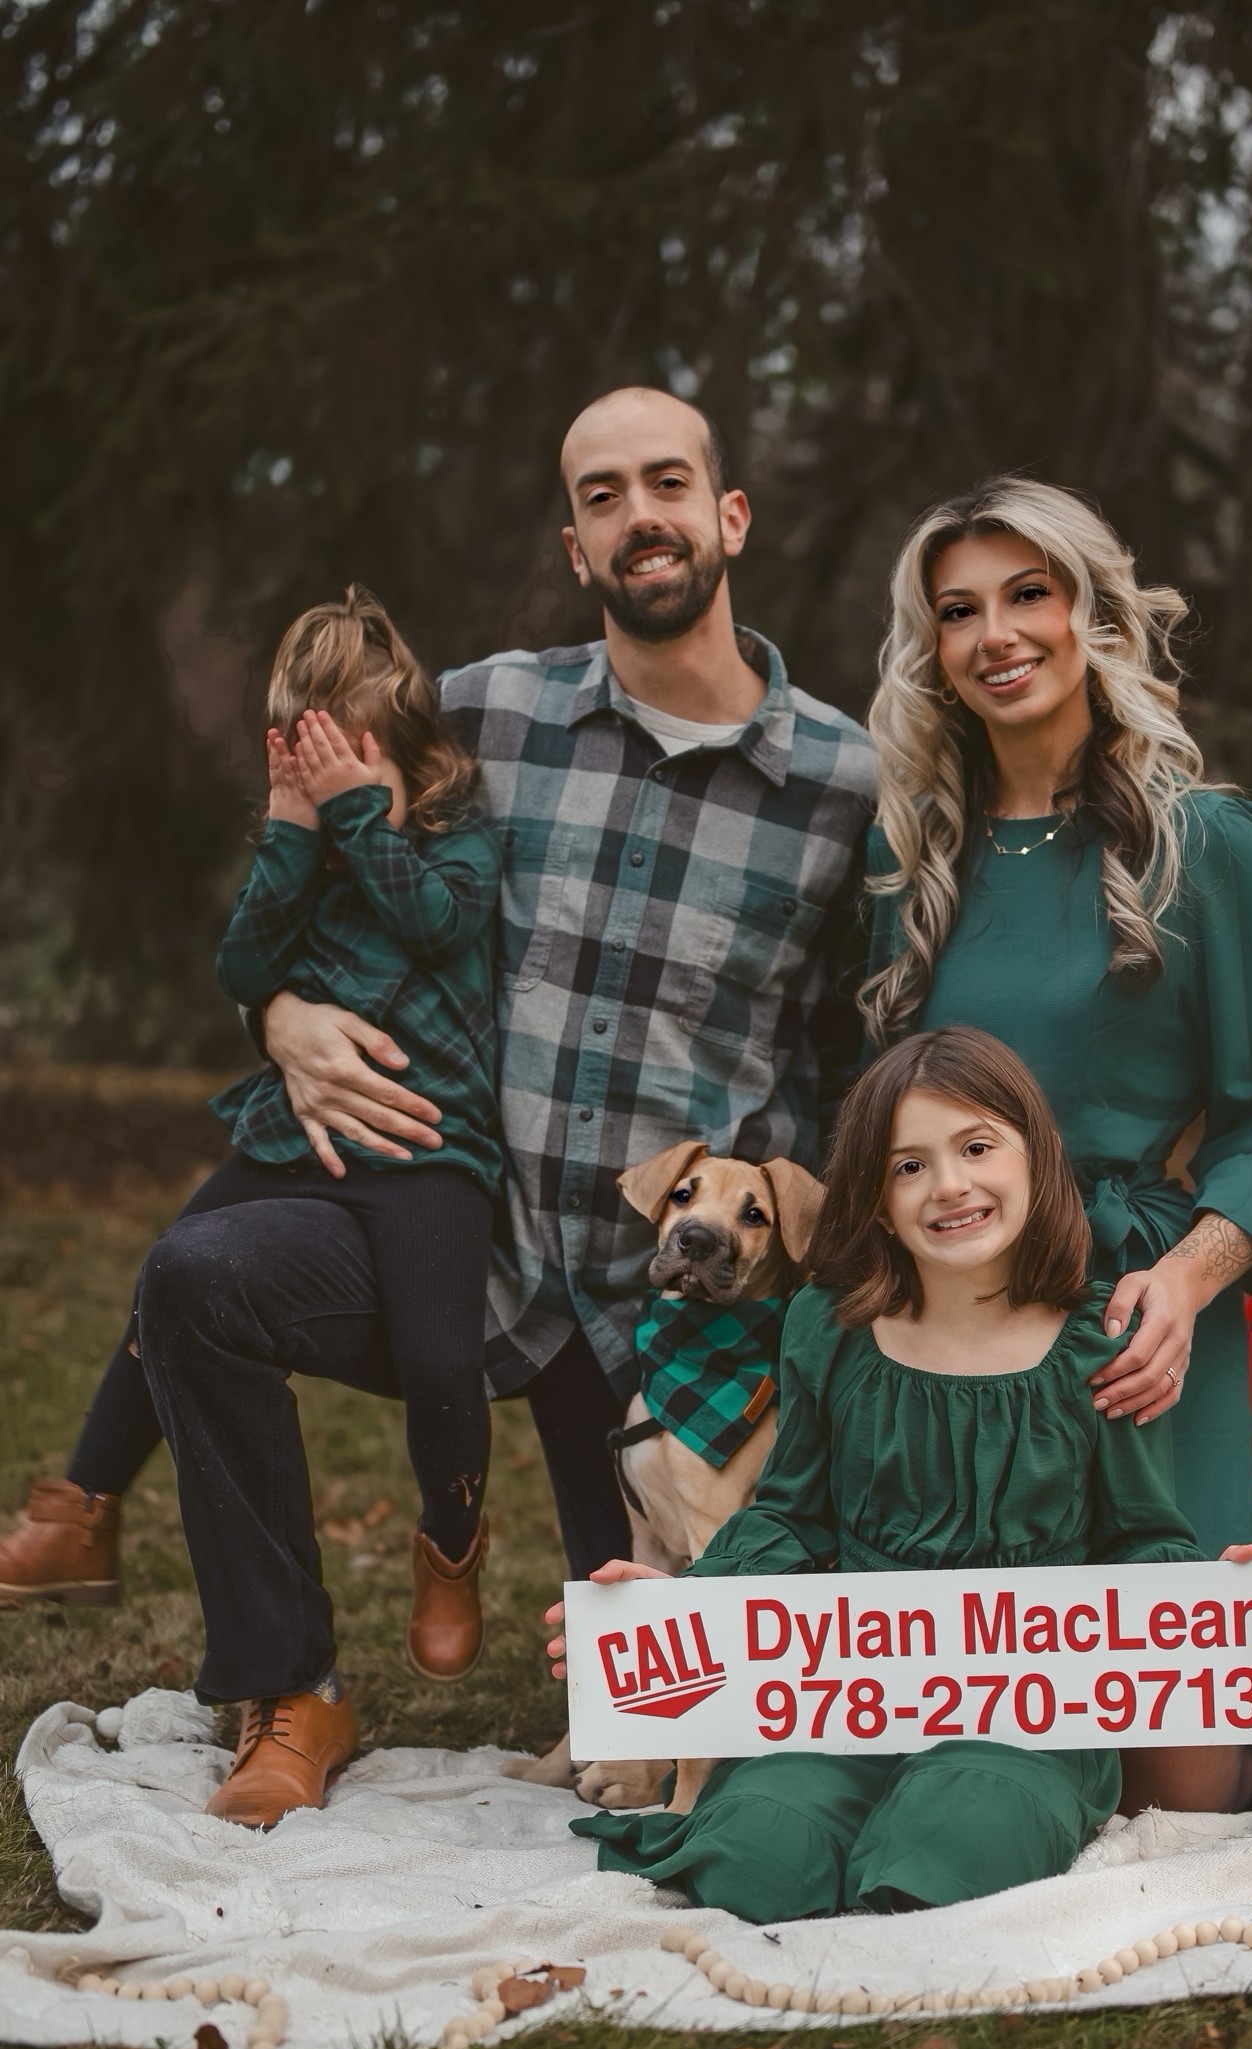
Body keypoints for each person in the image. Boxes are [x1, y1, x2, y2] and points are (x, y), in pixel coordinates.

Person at [0, 387, 875, 1829]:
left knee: (652, 1713)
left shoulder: (847, 784)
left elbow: (859, 1048)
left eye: (667, 483)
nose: (637, 514)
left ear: (728, 517)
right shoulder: (481, 710)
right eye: (601, 495)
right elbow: (312, 847)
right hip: (448, 1220)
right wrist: (277, 1016)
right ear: (575, 541)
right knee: (198, 1276)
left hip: (663, 1299)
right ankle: (291, 1689)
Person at [858, 477, 1252, 1816]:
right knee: (956, 1721)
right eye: (958, 611)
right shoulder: (911, 866)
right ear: (932, 650)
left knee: (1180, 1777)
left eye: (1027, 594)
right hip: (958, 1330)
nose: (996, 634)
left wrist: (1191, 1279)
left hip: (1137, 1329)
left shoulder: (1209, 843)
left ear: (1091, 609)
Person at [558, 1029, 1252, 1925]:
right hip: (846, 1693)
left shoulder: (1100, 1339)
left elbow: (1141, 1536)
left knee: (940, 1853)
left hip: (1028, 1711)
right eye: (908, 1166)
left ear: (1034, 1157)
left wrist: (1210, 1613)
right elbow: (789, 1518)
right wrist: (670, 1606)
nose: (950, 1186)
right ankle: (807, 1824)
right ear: (875, 1194)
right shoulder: (830, 1327)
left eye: (976, 1148)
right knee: (752, 1857)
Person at [0, 590, 503, 1814]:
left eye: (356, 747)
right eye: (307, 750)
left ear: (408, 745)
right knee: (171, 1269)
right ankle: (82, 1507)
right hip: (299, 1130)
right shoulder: (309, 843)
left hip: (430, 1145)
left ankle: (449, 1548)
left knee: (446, 1355)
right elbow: (242, 968)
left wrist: (357, 820)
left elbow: (436, 925)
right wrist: (292, 835)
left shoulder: (452, 829)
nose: (332, 771)